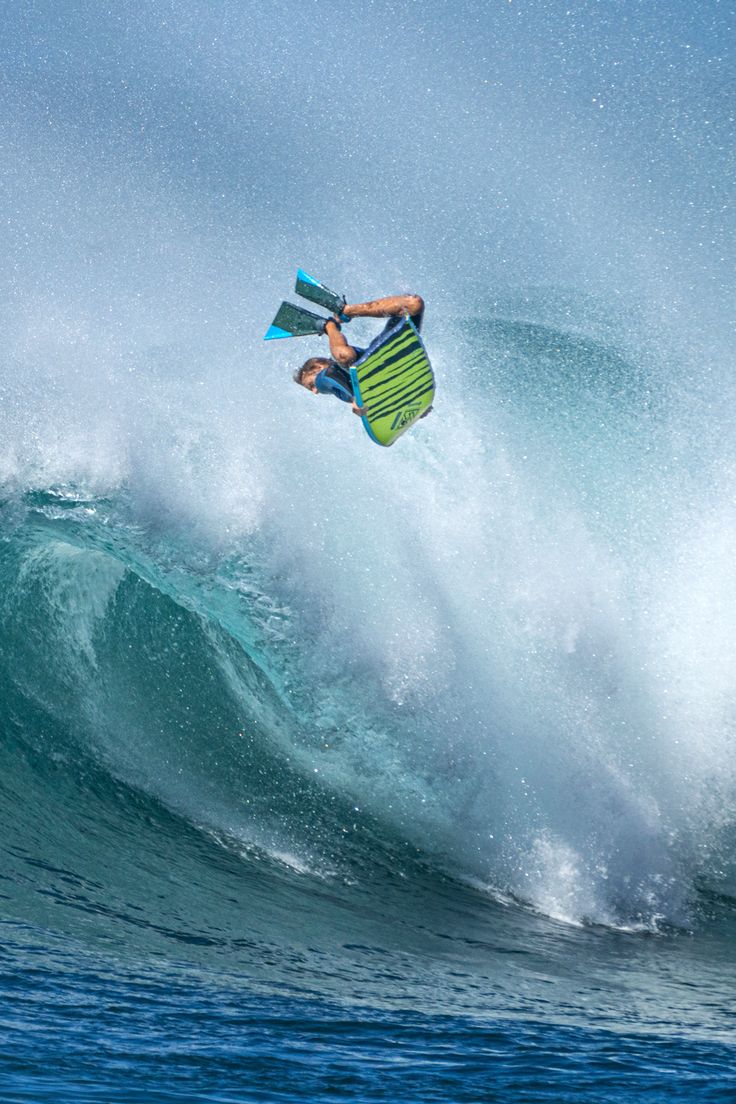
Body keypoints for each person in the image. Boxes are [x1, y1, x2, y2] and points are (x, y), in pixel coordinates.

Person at [293, 294, 425, 416]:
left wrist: (356, 398)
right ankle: (343, 313)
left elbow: (329, 375)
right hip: (394, 362)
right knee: (415, 304)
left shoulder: (327, 381)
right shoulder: (346, 392)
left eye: (311, 385)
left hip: (379, 357)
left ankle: (332, 323)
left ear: (318, 367)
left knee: (413, 303)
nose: (315, 391)